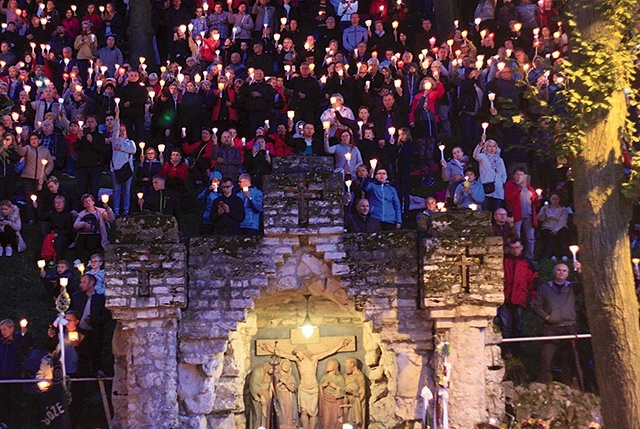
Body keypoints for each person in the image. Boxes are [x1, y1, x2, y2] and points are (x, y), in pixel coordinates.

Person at [260, 339, 351, 429]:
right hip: (303, 388)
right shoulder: (298, 361)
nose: (297, 355)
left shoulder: (314, 359)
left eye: (298, 353)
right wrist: (270, 349)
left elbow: (327, 352)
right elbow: (283, 354)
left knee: (313, 413)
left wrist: (341, 345)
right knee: (303, 411)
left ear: (302, 351)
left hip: (313, 388)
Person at [533, 261, 583, 385]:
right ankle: (542, 384)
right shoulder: (544, 287)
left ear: (568, 274)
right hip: (551, 327)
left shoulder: (572, 287)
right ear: (554, 272)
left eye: (564, 270)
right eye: (559, 270)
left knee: (568, 358)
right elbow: (536, 305)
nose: (561, 272)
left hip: (569, 327)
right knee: (546, 357)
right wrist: (547, 317)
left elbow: (584, 284)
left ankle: (569, 385)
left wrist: (580, 270)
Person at [499, 239, 538, 358]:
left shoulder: (527, 262)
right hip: (505, 297)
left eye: (517, 247)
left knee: (517, 326)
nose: (515, 250)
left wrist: (533, 298)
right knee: (505, 326)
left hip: (519, 297)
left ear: (521, 247)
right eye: (512, 248)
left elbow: (533, 281)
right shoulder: (505, 260)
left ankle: (516, 352)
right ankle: (507, 351)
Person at [0, 318, 32, 429]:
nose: (2, 332)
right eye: (1, 330)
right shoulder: (1, 343)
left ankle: (15, 425)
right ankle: (4, 423)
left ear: (12, 328)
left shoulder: (19, 341)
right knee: (3, 402)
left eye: (5, 329)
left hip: (15, 376)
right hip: (2, 378)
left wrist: (24, 331)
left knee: (15, 402)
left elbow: (27, 343)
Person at [505, 168, 541, 260]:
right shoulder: (510, 185)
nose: (519, 176)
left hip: (529, 214)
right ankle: (515, 256)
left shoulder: (529, 187)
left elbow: (534, 202)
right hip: (516, 214)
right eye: (517, 174)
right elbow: (508, 198)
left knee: (530, 237)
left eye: (521, 174)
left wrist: (538, 199)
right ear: (513, 175)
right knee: (516, 236)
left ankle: (530, 257)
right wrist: (519, 189)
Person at [73, 193, 115, 262]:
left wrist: (107, 208)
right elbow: (75, 225)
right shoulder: (82, 213)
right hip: (85, 233)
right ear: (84, 204)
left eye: (89, 200)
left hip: (97, 234)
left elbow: (111, 218)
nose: (88, 202)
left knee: (91, 240)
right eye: (86, 201)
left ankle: (92, 260)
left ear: (93, 202)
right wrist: (84, 224)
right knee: (79, 241)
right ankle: (80, 260)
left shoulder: (101, 212)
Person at [109, 118, 136, 217]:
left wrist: (122, 148)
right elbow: (115, 129)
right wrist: (117, 115)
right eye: (120, 130)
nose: (121, 132)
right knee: (117, 190)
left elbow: (133, 150)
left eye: (123, 130)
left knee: (127, 191)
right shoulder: (115, 140)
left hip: (128, 169)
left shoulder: (130, 142)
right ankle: (116, 211)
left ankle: (126, 210)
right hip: (116, 169)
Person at [473, 138, 507, 213]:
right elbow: (475, 155)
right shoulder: (483, 157)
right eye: (489, 146)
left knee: (496, 211)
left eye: (494, 146)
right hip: (486, 188)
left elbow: (504, 173)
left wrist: (502, 181)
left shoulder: (499, 160)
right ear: (486, 147)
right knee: (486, 211)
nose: (492, 148)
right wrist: (480, 145)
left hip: (498, 189)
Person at [537, 193, 570, 260]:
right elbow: (540, 218)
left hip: (559, 226)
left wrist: (556, 229)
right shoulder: (545, 208)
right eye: (553, 199)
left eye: (556, 199)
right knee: (550, 237)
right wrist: (543, 211)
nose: (555, 201)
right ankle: (553, 255)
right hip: (547, 226)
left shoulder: (562, 209)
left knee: (562, 236)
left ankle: (564, 254)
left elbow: (563, 220)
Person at [319, 358, 345, 429]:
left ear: (335, 366)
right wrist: (322, 386)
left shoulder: (339, 378)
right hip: (326, 401)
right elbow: (319, 389)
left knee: (335, 419)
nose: (327, 366)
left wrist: (336, 387)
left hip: (336, 402)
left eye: (329, 364)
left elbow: (344, 390)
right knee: (326, 420)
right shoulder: (324, 377)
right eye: (327, 364)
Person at [344, 357, 366, 429]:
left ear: (352, 364)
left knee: (354, 423)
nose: (345, 365)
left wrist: (353, 392)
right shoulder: (346, 376)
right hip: (346, 403)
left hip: (356, 404)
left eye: (347, 363)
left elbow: (362, 391)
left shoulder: (359, 376)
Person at [276, 359, 298, 428]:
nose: (286, 366)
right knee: (281, 410)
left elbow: (293, 388)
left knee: (289, 411)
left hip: (288, 396)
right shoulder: (276, 376)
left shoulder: (291, 377)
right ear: (281, 365)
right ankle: (281, 424)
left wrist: (285, 382)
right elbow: (273, 388)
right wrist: (279, 383)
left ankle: (289, 424)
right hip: (279, 396)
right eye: (285, 364)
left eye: (288, 365)